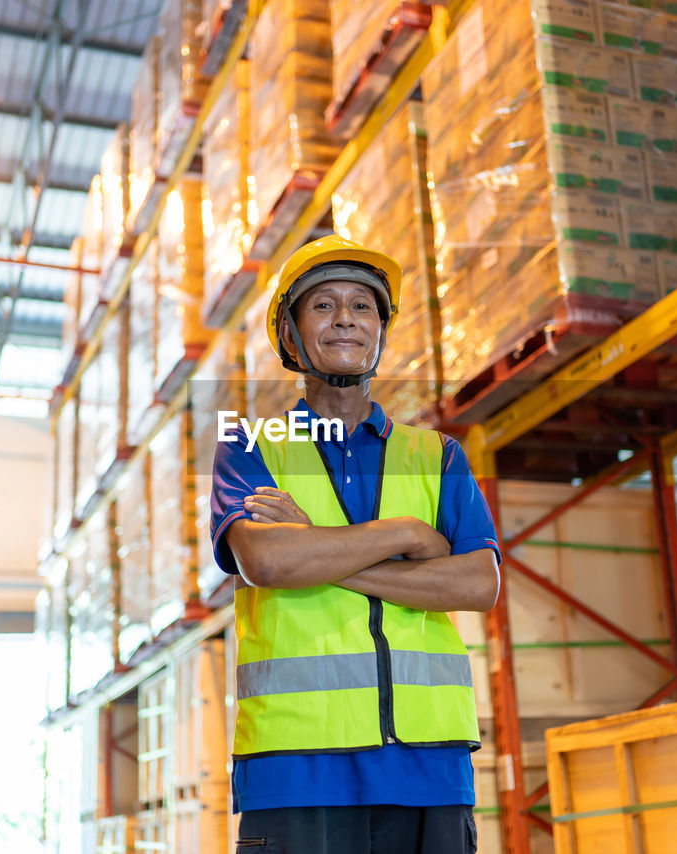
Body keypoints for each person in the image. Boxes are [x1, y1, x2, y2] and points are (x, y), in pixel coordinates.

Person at [209, 235, 501, 853]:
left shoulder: (436, 456)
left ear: (380, 333)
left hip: (432, 767)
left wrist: (314, 548)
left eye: (363, 306)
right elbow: (264, 560)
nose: (345, 316)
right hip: (296, 767)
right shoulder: (249, 444)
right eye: (322, 305)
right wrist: (403, 536)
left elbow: (476, 585)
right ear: (289, 335)